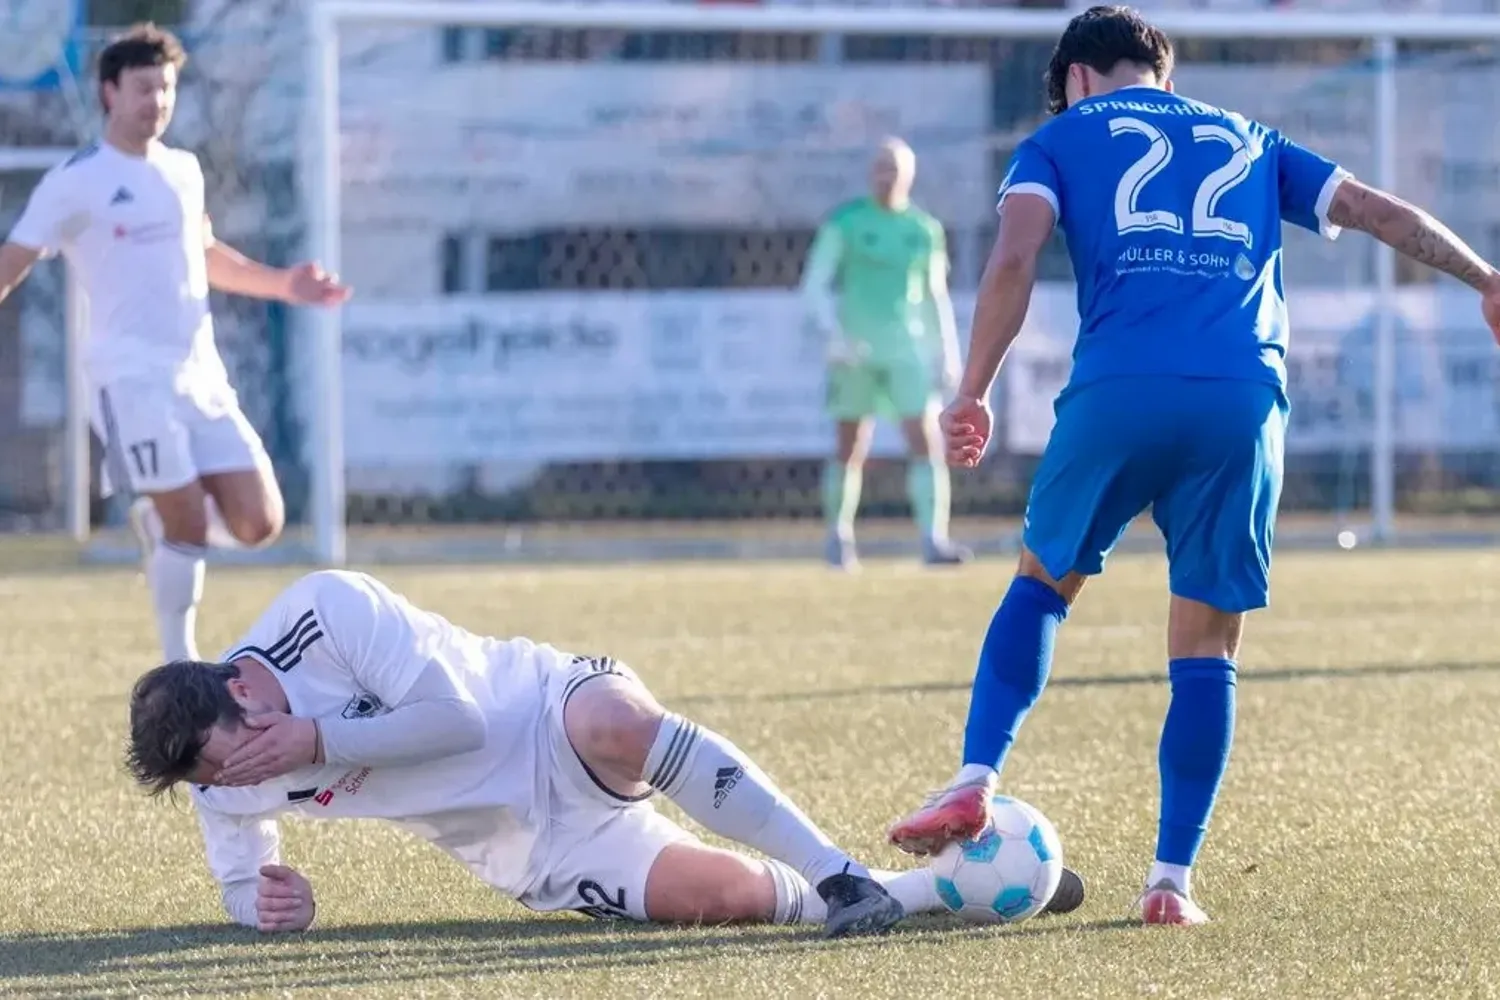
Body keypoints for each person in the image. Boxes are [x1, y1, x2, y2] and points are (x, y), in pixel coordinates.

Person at [887, 5, 1500, 926]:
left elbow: (1013, 258)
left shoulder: (1056, 140)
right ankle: (1170, 881)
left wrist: (972, 389)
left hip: (1119, 391)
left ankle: (975, 776)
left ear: (1078, 80)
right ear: (1164, 77)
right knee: (1207, 646)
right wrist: (1487, 279)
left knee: (1043, 585)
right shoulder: (1252, 137)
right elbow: (1379, 212)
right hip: (1239, 401)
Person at [125, 570, 931, 936]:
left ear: (241, 688)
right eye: (213, 779)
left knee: (618, 722)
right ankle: (923, 890)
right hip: (531, 845)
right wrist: (270, 908)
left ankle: (834, 869)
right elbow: (240, 883)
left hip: (543, 709)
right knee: (724, 899)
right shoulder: (216, 778)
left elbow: (459, 723)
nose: (238, 779)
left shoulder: (324, 611)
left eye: (241, 755)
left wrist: (318, 738)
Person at [0, 24, 350, 663]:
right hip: (127, 377)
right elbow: (13, 261)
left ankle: (162, 527)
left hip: (200, 374)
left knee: (259, 522)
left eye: (165, 88)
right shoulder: (76, 181)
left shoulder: (184, 171)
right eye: (143, 88)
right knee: (188, 521)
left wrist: (284, 284)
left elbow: (204, 255)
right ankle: (180, 662)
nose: (157, 101)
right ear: (110, 92)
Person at [800, 138, 972, 570]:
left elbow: (935, 295)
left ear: (909, 174)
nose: (886, 176)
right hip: (855, 352)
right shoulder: (845, 222)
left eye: (894, 168)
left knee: (924, 440)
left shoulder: (923, 229)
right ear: (869, 173)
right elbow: (815, 284)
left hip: (906, 351)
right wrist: (833, 335)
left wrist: (948, 353)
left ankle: (933, 539)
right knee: (850, 443)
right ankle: (838, 537)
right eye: (880, 167)